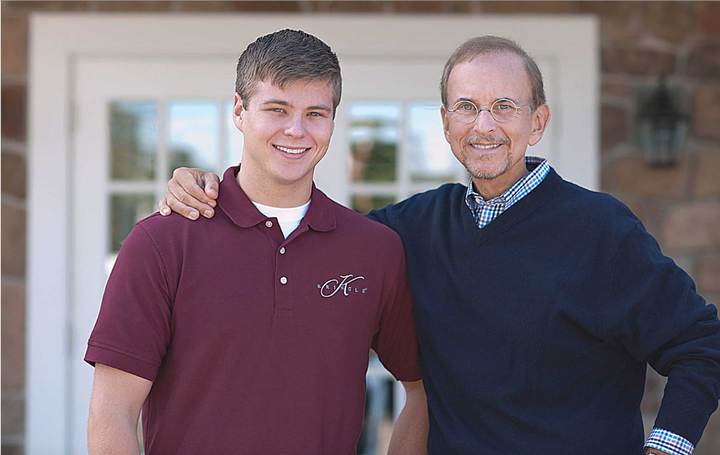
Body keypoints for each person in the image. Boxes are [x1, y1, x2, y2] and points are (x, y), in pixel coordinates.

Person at [163, 35, 720, 455]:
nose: (485, 125)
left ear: (538, 120)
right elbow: (308, 230)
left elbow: (702, 345)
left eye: (505, 106)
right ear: (446, 122)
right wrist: (209, 185)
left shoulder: (602, 231)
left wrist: (664, 448)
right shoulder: (412, 228)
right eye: (467, 106)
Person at [85, 29, 427, 455]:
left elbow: (422, 389)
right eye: (277, 109)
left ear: (333, 122)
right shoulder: (163, 241)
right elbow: (112, 414)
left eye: (316, 114)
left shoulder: (374, 250)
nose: (296, 130)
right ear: (239, 110)